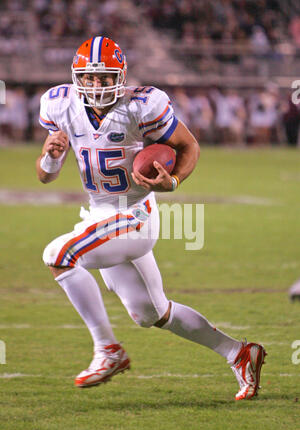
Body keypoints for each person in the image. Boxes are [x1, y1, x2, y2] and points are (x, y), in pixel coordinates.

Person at [36, 36, 266, 400]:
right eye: (89, 78)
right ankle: (239, 353)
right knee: (151, 313)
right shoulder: (59, 105)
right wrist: (50, 157)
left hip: (134, 214)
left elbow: (188, 145)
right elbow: (45, 175)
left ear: (121, 76)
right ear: (76, 77)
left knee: (58, 255)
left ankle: (107, 349)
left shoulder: (142, 105)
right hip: (100, 215)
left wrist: (173, 181)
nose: (97, 85)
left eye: (105, 77)